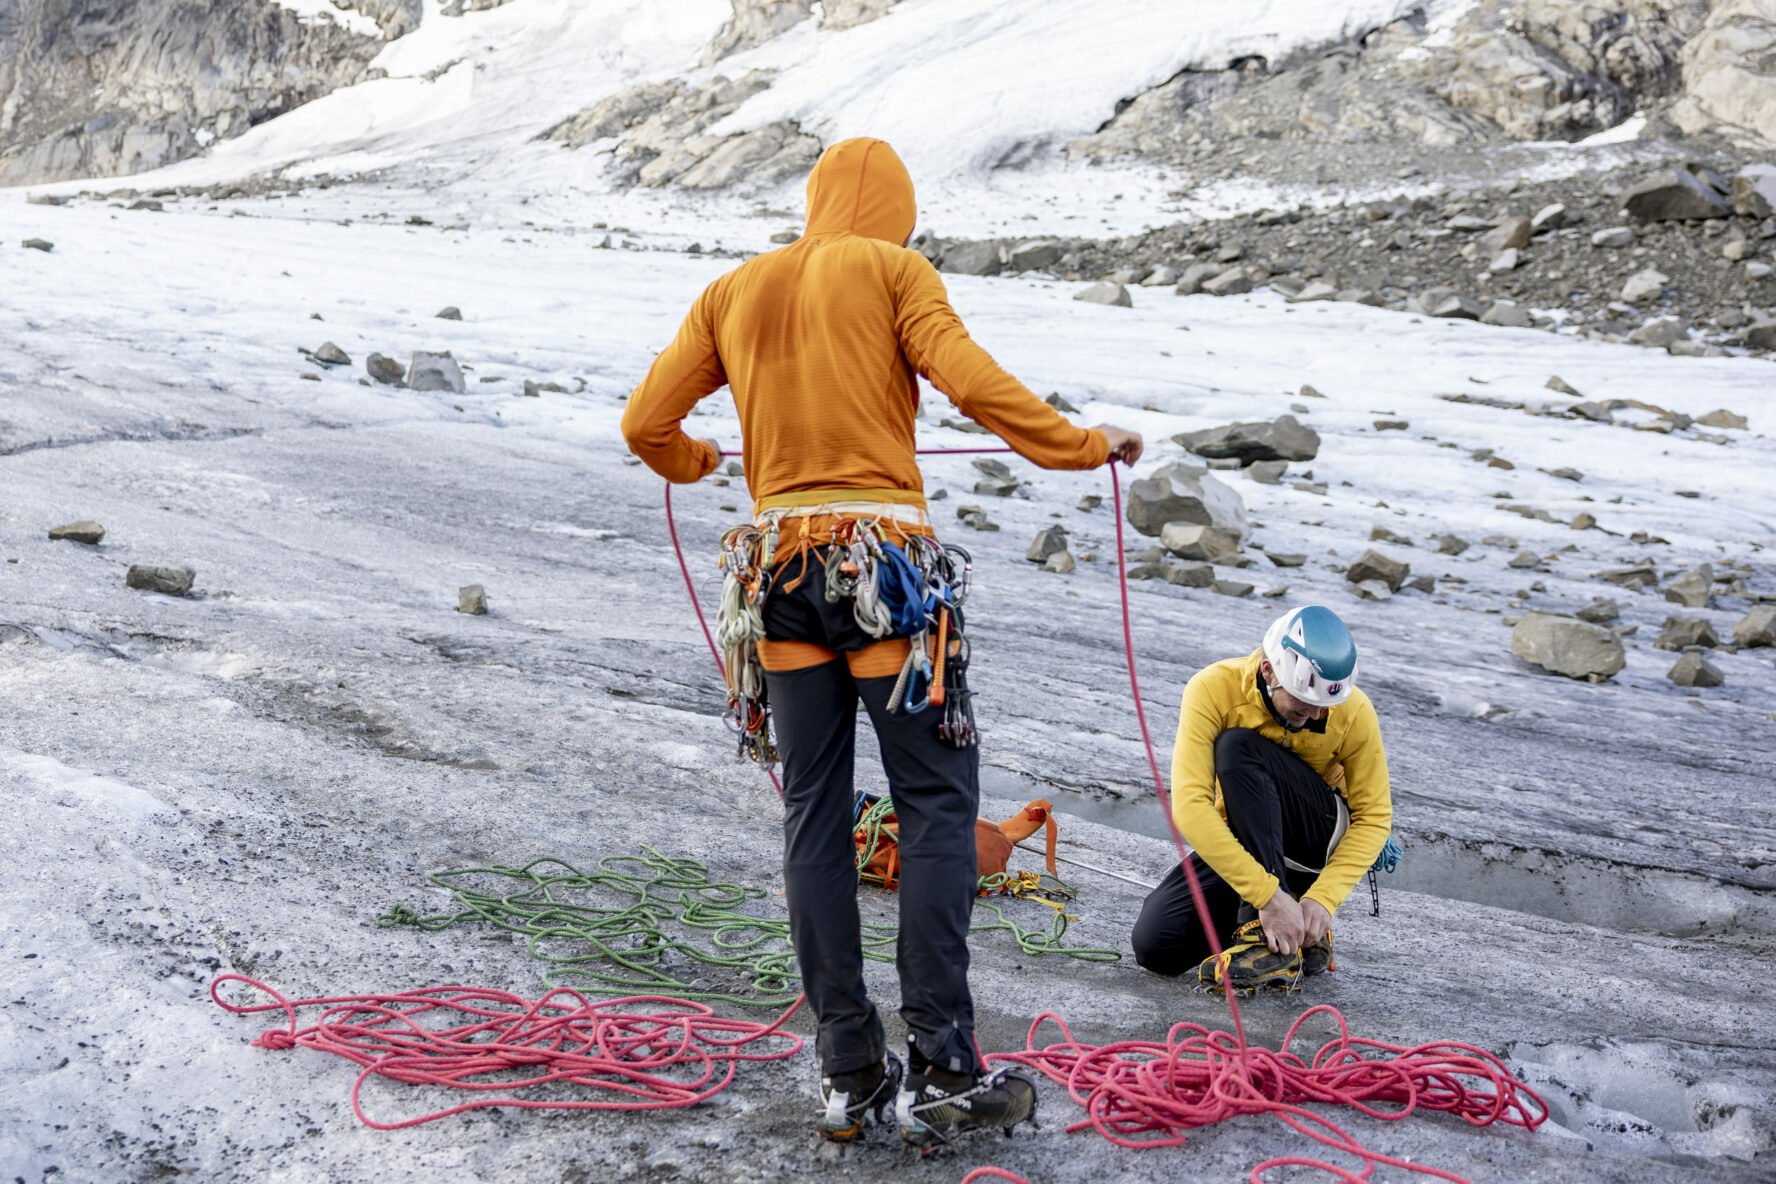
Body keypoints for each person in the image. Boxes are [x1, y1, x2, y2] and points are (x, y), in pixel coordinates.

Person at [621, 137, 1143, 1147]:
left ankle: (849, 1069)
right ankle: (945, 1065)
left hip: (776, 572)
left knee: (814, 811)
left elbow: (647, 421)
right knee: (937, 803)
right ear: (895, 214)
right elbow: (972, 382)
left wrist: (695, 458)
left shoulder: (733, 290)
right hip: (886, 575)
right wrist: (1082, 445)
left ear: (815, 203)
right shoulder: (896, 270)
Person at [1131, 605, 1392, 992]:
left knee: (1239, 748)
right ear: (1269, 670)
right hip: (1250, 837)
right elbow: (1191, 807)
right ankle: (1292, 931)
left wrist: (1323, 900)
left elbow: (1374, 818)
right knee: (1157, 948)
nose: (1317, 715)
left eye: (1325, 707)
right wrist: (1269, 895)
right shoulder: (1214, 689)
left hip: (1313, 839)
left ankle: (1267, 934)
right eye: (1303, 706)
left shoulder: (1354, 712)